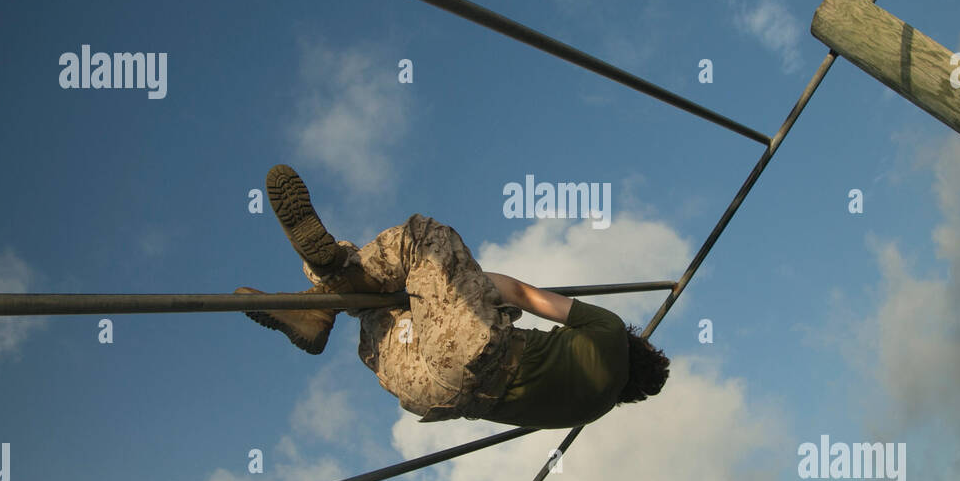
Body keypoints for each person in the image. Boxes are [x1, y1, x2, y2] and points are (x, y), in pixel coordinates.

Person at [235, 165, 669, 429]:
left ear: (639, 347)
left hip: (475, 348)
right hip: (428, 393)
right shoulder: (588, 413)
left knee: (422, 240)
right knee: (378, 307)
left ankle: (328, 274)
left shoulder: (610, 335)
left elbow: (523, 294)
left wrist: (473, 284)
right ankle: (318, 308)